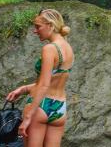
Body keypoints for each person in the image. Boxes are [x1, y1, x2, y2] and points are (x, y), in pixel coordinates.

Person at [6, 9, 74, 147]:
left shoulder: (49, 49)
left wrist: (27, 117)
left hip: (40, 107)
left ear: (50, 25)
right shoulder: (68, 49)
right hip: (59, 108)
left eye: (38, 26)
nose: (35, 31)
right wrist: (23, 89)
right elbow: (53, 81)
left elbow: (44, 85)